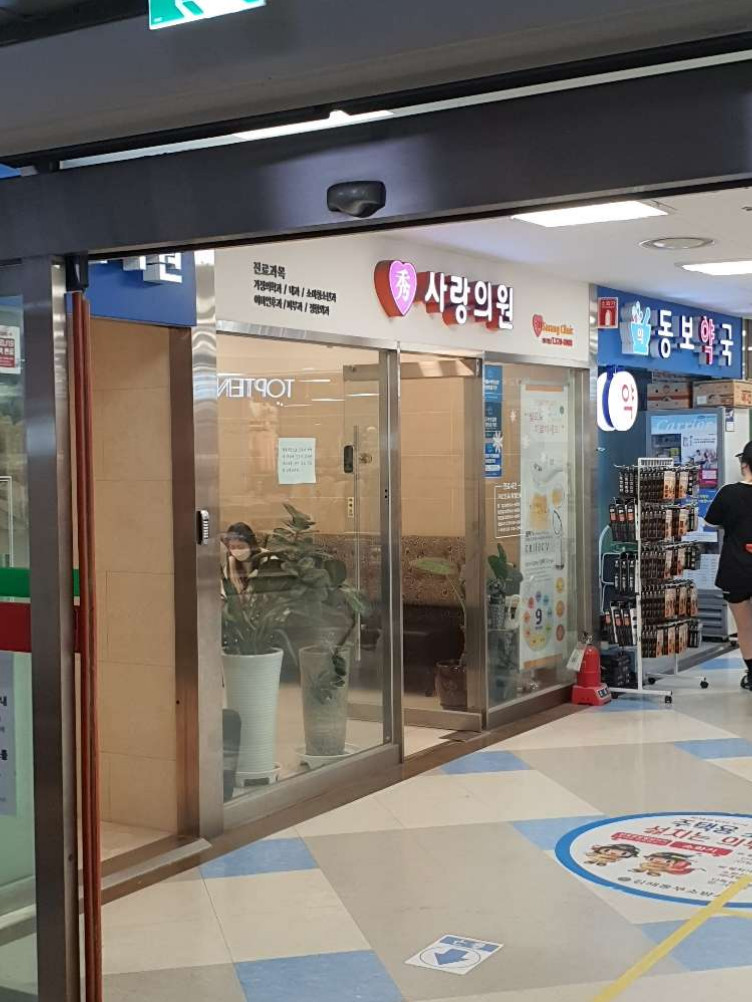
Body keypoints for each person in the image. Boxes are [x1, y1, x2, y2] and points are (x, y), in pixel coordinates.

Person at [705, 442, 752, 690]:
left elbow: (711, 522)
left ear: (744, 464)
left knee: (745, 626)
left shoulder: (729, 493)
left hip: (736, 568)